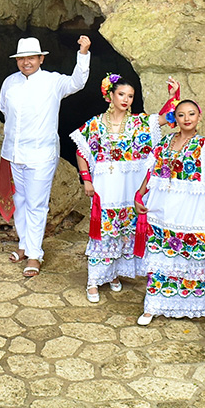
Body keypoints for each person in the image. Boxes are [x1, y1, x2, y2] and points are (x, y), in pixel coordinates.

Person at [71, 75, 178, 302]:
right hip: (106, 185)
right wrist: (86, 179)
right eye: (121, 94)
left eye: (130, 96)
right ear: (111, 95)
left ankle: (114, 273)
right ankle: (94, 280)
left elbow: (166, 119)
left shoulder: (138, 123)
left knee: (125, 228)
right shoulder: (96, 123)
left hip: (129, 186)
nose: (126, 99)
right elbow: (81, 151)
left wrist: (172, 98)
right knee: (104, 229)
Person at [134, 98, 205, 325]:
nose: (187, 118)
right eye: (181, 114)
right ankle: (153, 305)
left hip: (190, 211)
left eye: (192, 114)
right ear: (176, 118)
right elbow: (151, 171)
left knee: (187, 255)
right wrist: (139, 194)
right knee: (160, 256)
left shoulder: (204, 145)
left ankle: (189, 305)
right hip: (162, 207)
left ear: (199, 117)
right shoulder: (165, 142)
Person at [0, 35, 91, 278]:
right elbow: (4, 110)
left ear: (40, 59)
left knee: (36, 204)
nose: (26, 62)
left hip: (41, 153)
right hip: (13, 152)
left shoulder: (53, 81)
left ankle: (34, 254)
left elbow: (78, 82)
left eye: (31, 57)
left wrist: (83, 53)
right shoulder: (9, 82)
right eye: (22, 58)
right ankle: (24, 244)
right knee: (19, 201)